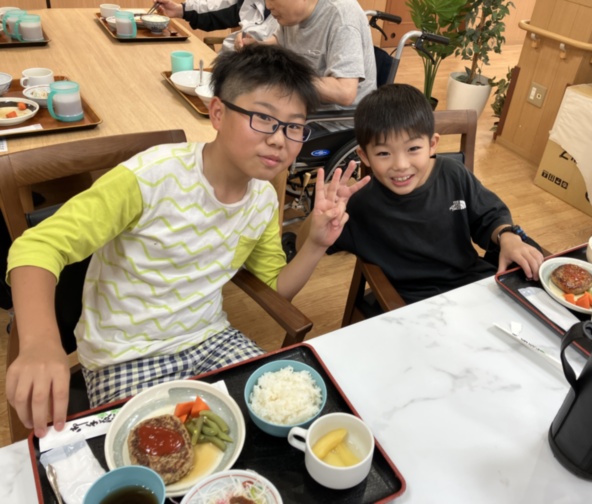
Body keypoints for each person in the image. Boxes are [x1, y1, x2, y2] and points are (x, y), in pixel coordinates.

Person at [5, 45, 367, 438]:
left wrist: (315, 243)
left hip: (210, 340)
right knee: (167, 454)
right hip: (125, 356)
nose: (280, 140)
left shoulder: (262, 198)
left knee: (282, 422)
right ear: (218, 113)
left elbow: (275, 289)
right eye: (264, 118)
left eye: (294, 126)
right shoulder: (151, 177)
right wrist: (40, 343)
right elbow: (37, 247)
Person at [326, 83, 545, 304]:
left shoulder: (453, 173)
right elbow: (319, 239)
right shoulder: (362, 203)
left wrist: (507, 236)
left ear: (432, 144)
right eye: (383, 153)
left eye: (413, 149)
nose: (401, 165)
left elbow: (489, 215)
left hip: (471, 282)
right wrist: (323, 213)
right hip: (414, 302)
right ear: (364, 156)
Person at [236, 0, 377, 109]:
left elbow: (344, 92)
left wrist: (287, 78)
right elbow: (281, 41)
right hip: (301, 107)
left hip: (334, 123)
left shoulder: (342, 16)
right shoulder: (292, 16)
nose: (268, 6)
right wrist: (256, 46)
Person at [156, 0, 278, 52]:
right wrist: (180, 9)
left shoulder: (287, 17)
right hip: (228, 66)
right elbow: (225, 6)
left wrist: (259, 45)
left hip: (256, 78)